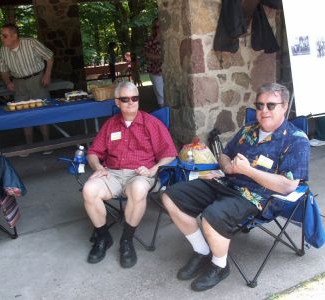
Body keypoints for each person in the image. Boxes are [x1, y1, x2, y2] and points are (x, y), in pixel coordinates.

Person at [161, 83, 310, 291]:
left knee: (211, 217)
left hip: (257, 197)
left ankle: (219, 266)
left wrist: (248, 171)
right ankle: (202, 250)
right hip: (226, 182)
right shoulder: (248, 130)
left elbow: (287, 186)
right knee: (171, 197)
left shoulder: (296, 141)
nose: (263, 111)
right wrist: (228, 168)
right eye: (259, 105)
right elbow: (224, 154)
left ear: (284, 106)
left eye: (270, 105)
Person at [82, 81, 177, 267]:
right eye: (125, 99)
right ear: (117, 102)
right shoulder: (110, 125)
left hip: (140, 174)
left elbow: (170, 154)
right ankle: (103, 237)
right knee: (88, 189)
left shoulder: (152, 123)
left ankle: (126, 240)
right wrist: (98, 168)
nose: (131, 102)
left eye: (135, 98)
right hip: (112, 173)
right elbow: (93, 152)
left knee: (139, 188)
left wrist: (153, 169)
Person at [0, 23, 54, 155]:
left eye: (4, 36)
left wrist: (47, 75)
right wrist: (7, 82)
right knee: (22, 113)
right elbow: (3, 69)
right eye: (1, 36)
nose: (2, 38)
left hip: (37, 80)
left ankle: (47, 144)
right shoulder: (3, 49)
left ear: (14, 36)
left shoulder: (31, 43)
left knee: (42, 110)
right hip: (18, 83)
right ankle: (29, 146)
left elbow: (49, 57)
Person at [143, 18, 164, 107]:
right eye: (156, 27)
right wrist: (160, 57)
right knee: (160, 93)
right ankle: (163, 112)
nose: (158, 29)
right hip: (155, 70)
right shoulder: (149, 40)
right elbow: (146, 54)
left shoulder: (168, 39)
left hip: (167, 70)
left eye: (160, 26)